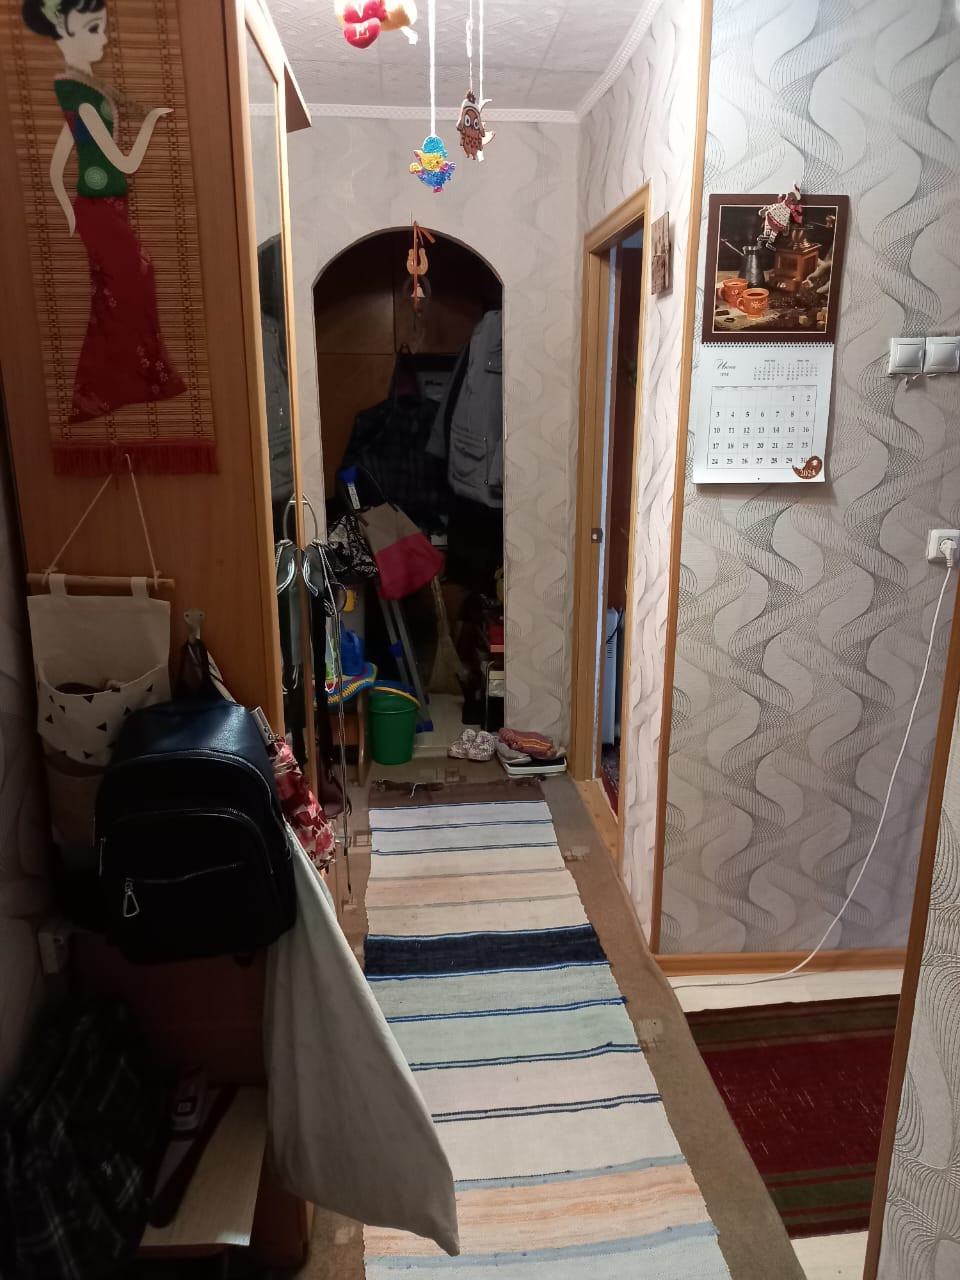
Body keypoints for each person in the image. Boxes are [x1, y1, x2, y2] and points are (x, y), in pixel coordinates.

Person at [22, 0, 186, 422]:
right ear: (64, 33)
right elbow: (125, 162)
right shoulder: (79, 97)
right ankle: (112, 383)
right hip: (98, 209)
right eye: (94, 28)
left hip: (104, 206)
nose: (105, 38)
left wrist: (67, 209)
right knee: (136, 277)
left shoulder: (81, 90)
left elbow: (60, 163)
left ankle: (116, 383)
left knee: (113, 295)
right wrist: (150, 122)